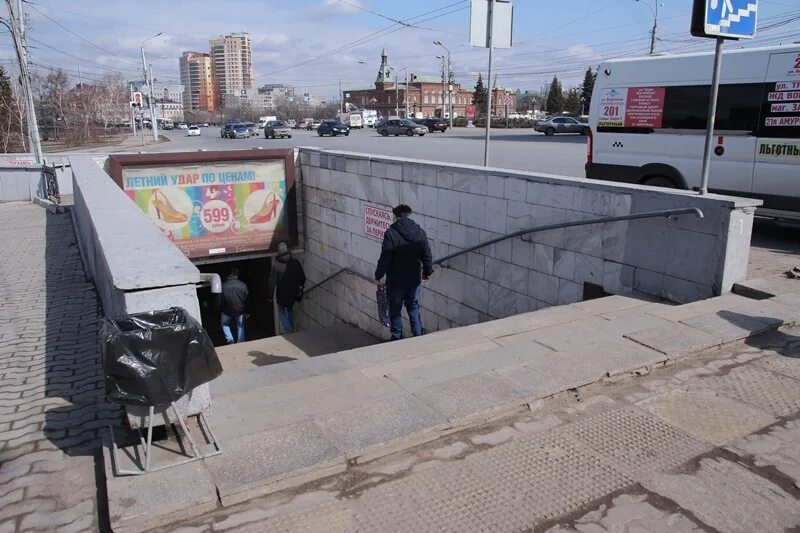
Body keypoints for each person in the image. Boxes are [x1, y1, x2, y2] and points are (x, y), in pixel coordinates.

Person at [374, 204, 433, 341]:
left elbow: (386, 256)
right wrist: (427, 272)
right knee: (413, 306)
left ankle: (396, 337)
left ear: (396, 216)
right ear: (409, 215)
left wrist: (378, 275)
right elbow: (427, 255)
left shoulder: (391, 233)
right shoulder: (420, 232)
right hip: (413, 279)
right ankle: (418, 334)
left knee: (395, 310)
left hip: (396, 280)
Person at [268, 242, 306, 334]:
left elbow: (272, 283)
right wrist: (300, 288)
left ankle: (289, 330)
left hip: (281, 294)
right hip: (293, 293)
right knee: (290, 310)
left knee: (281, 312)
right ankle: (291, 330)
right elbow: (302, 277)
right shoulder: (296, 262)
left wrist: (270, 296)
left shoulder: (276, 266)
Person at [220, 268, 249, 344]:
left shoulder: (223, 285)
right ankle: (240, 342)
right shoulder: (242, 285)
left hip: (226, 310)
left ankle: (230, 339)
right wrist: (248, 311)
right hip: (240, 310)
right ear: (237, 275)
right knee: (240, 326)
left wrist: (219, 308)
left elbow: (220, 299)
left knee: (224, 324)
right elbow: (247, 299)